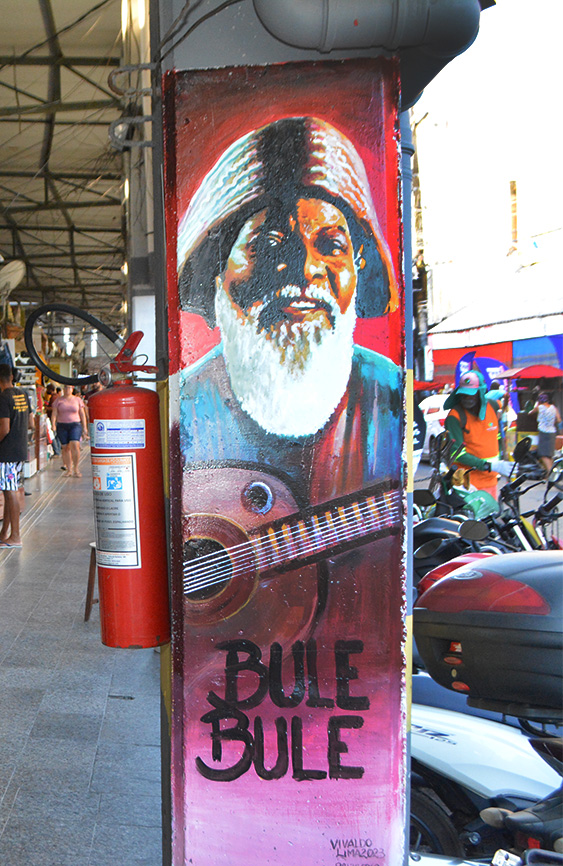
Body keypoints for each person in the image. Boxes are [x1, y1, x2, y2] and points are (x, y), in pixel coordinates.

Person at [175, 116, 405, 646]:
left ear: (358, 266)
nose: (304, 269)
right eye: (267, 244)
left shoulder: (389, 397)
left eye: (331, 244)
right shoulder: (180, 409)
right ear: (217, 272)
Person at [0, 364, 30, 548]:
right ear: (11, 376)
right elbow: (31, 423)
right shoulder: (23, 394)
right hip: (19, 450)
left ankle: (15, 536)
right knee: (11, 490)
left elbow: (4, 429)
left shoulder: (3, 397)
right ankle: (5, 533)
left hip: (6, 452)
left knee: (10, 493)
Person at [443, 370, 512, 495]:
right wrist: (489, 466)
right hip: (467, 484)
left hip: (491, 481)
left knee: (492, 513)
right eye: (464, 395)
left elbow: (496, 437)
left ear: (480, 393)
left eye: (471, 395)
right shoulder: (455, 417)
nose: (467, 399)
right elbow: (457, 453)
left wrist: (501, 463)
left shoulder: (492, 406)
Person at [49, 385, 89, 477]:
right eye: (66, 388)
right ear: (63, 389)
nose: (67, 389)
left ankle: (76, 468)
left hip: (75, 424)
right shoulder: (58, 400)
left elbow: (82, 414)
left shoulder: (77, 400)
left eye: (69, 388)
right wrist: (53, 424)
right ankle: (69, 469)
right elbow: (54, 413)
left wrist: (85, 427)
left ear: (72, 389)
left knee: (75, 444)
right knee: (65, 447)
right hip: (62, 425)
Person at [533, 391, 557, 476]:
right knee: (549, 454)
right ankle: (549, 473)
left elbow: (530, 412)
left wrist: (537, 404)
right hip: (552, 432)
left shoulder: (540, 407)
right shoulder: (553, 408)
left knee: (543, 454)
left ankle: (550, 472)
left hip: (543, 432)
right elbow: (559, 419)